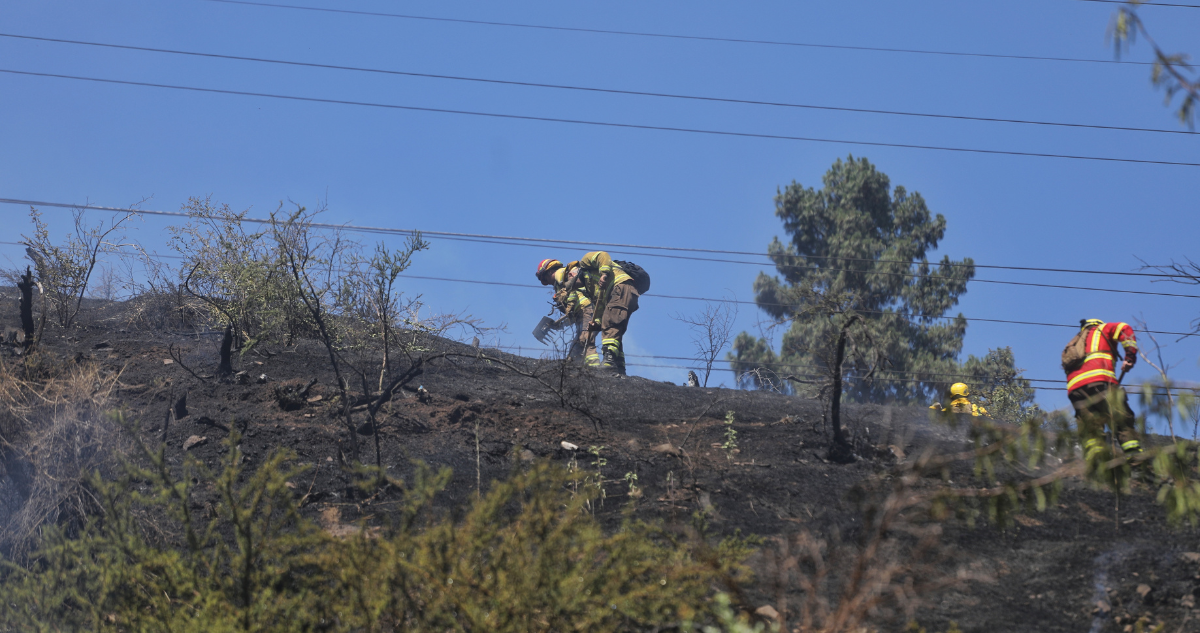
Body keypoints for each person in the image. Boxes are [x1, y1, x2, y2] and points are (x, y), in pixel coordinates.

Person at [1066, 318, 1140, 459]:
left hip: (1076, 390)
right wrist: (1129, 357)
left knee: (1091, 428)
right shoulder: (1102, 329)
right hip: (1100, 382)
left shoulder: (1074, 342)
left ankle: (1098, 463)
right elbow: (1124, 328)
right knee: (1122, 421)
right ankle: (1135, 460)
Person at [577, 251, 640, 374]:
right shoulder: (591, 287)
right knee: (612, 327)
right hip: (625, 292)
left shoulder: (585, 262)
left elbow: (603, 255)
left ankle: (609, 362)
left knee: (611, 324)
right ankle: (619, 366)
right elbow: (600, 306)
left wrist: (604, 274)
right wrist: (597, 323)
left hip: (620, 287)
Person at [535, 258, 596, 362]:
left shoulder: (560, 274)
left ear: (549, 272)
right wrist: (560, 325)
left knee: (585, 339)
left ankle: (594, 367)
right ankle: (574, 367)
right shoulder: (559, 285)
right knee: (576, 347)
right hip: (581, 313)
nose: (547, 282)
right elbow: (571, 315)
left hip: (586, 309)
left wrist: (569, 306)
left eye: (544, 278)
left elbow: (572, 289)